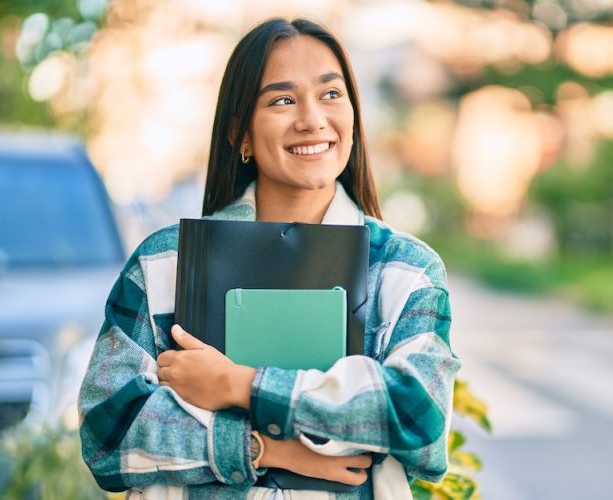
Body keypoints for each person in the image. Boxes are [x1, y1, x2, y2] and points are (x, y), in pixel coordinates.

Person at [79, 17, 460, 499]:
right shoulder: (166, 263)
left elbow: (416, 416)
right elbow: (107, 433)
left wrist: (240, 385)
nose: (311, 119)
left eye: (330, 94)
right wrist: (259, 448)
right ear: (240, 133)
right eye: (282, 100)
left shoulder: (403, 270)